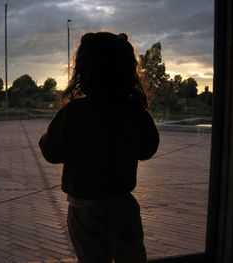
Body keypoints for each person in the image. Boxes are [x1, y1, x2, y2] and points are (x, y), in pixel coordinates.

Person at [39, 32, 159, 263]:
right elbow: (148, 148)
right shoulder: (134, 111)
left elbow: (52, 153)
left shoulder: (73, 113)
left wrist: (49, 137)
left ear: (83, 71)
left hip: (85, 209)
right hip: (123, 206)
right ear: (128, 70)